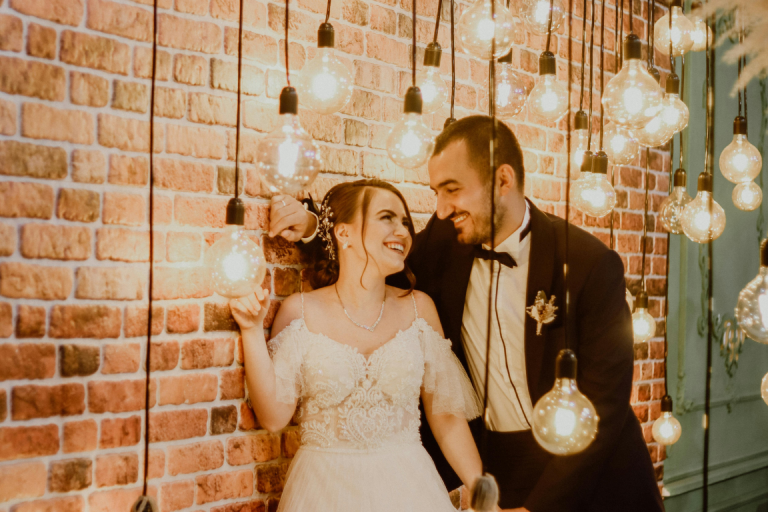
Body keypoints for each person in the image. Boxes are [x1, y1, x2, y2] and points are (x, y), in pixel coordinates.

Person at [271, 116, 665, 512]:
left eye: (452, 190)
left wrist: (537, 508)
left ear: (502, 181)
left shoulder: (588, 264)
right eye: (436, 192)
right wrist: (311, 225)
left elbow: (605, 403)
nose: (440, 210)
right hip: (498, 468)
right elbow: (370, 256)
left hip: (592, 474)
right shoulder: (446, 242)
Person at [230, 179, 484, 512]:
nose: (403, 231)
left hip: (409, 489)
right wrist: (250, 330)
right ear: (343, 233)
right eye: (387, 218)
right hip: (323, 491)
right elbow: (275, 417)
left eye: (405, 221)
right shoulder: (301, 310)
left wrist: (486, 495)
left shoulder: (419, 309)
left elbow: (447, 418)